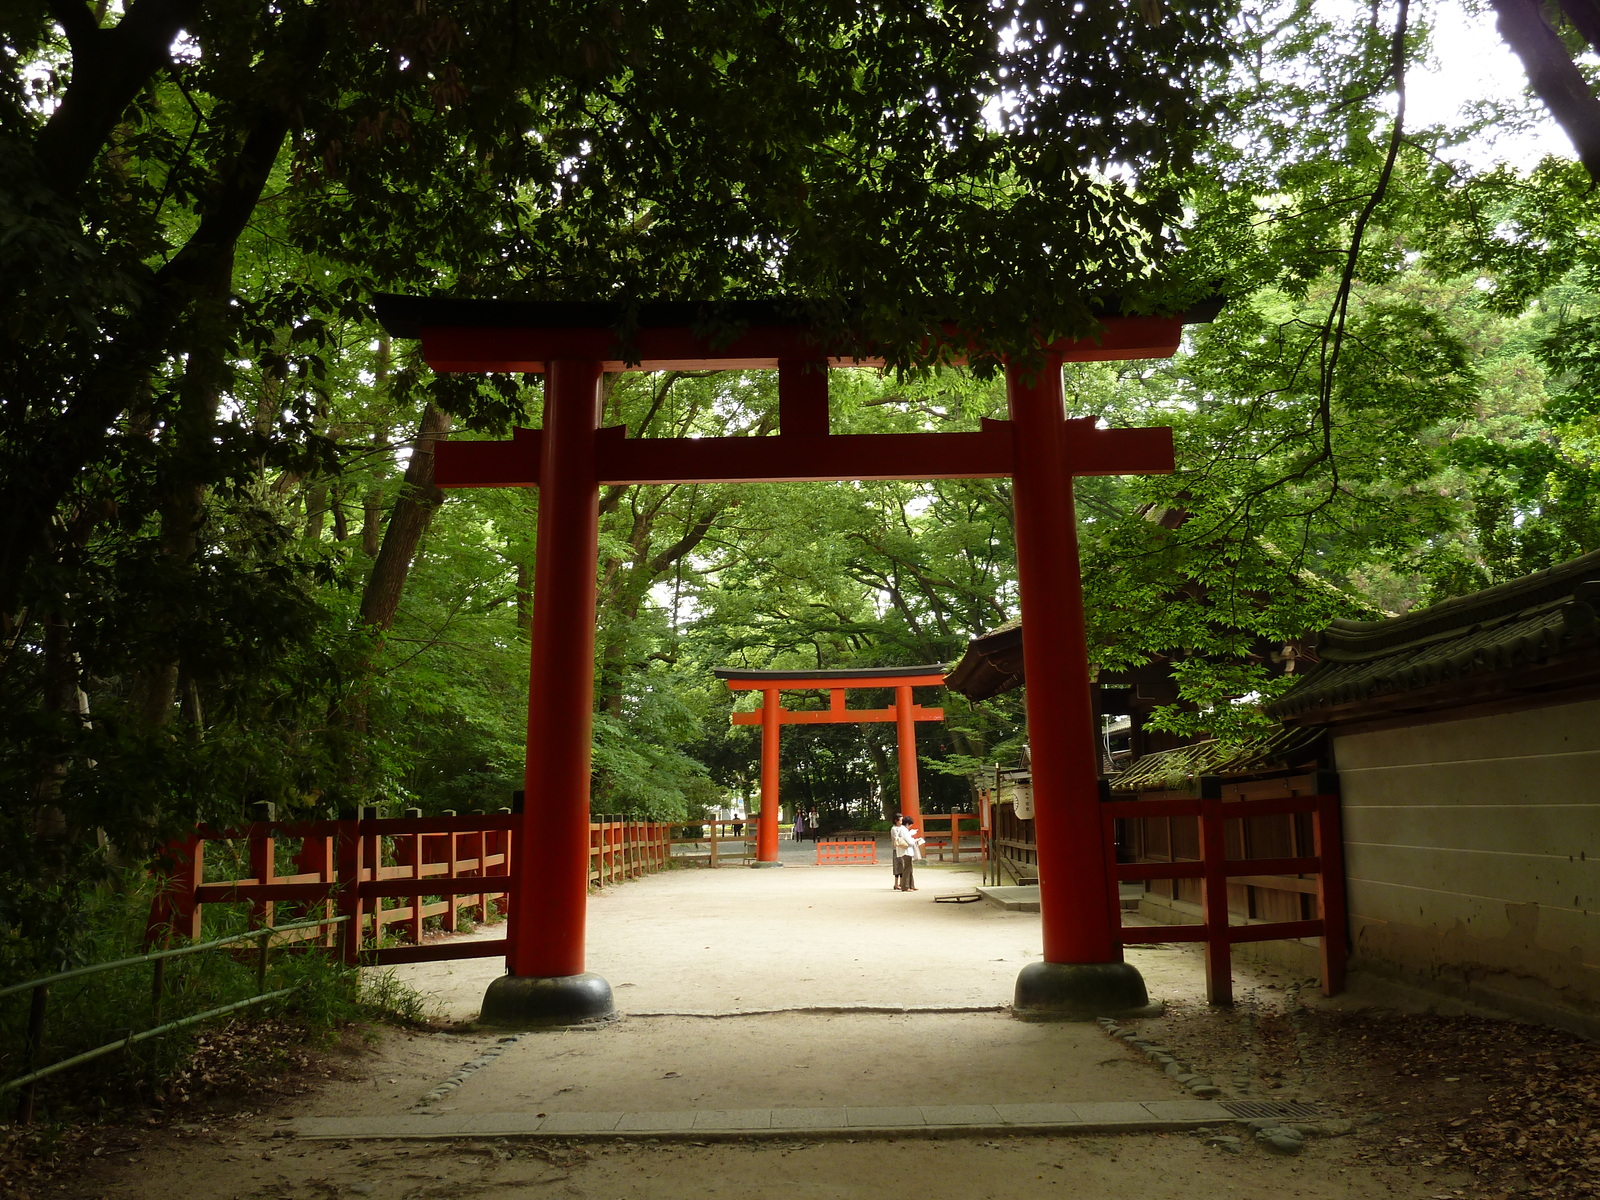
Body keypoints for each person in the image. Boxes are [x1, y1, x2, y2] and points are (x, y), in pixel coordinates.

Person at [890, 814, 922, 891]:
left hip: (905, 851)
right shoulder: (903, 830)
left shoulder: (902, 829)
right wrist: (915, 841)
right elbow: (909, 841)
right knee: (907, 868)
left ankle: (911, 885)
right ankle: (905, 886)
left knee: (909, 868)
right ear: (907, 824)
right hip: (905, 851)